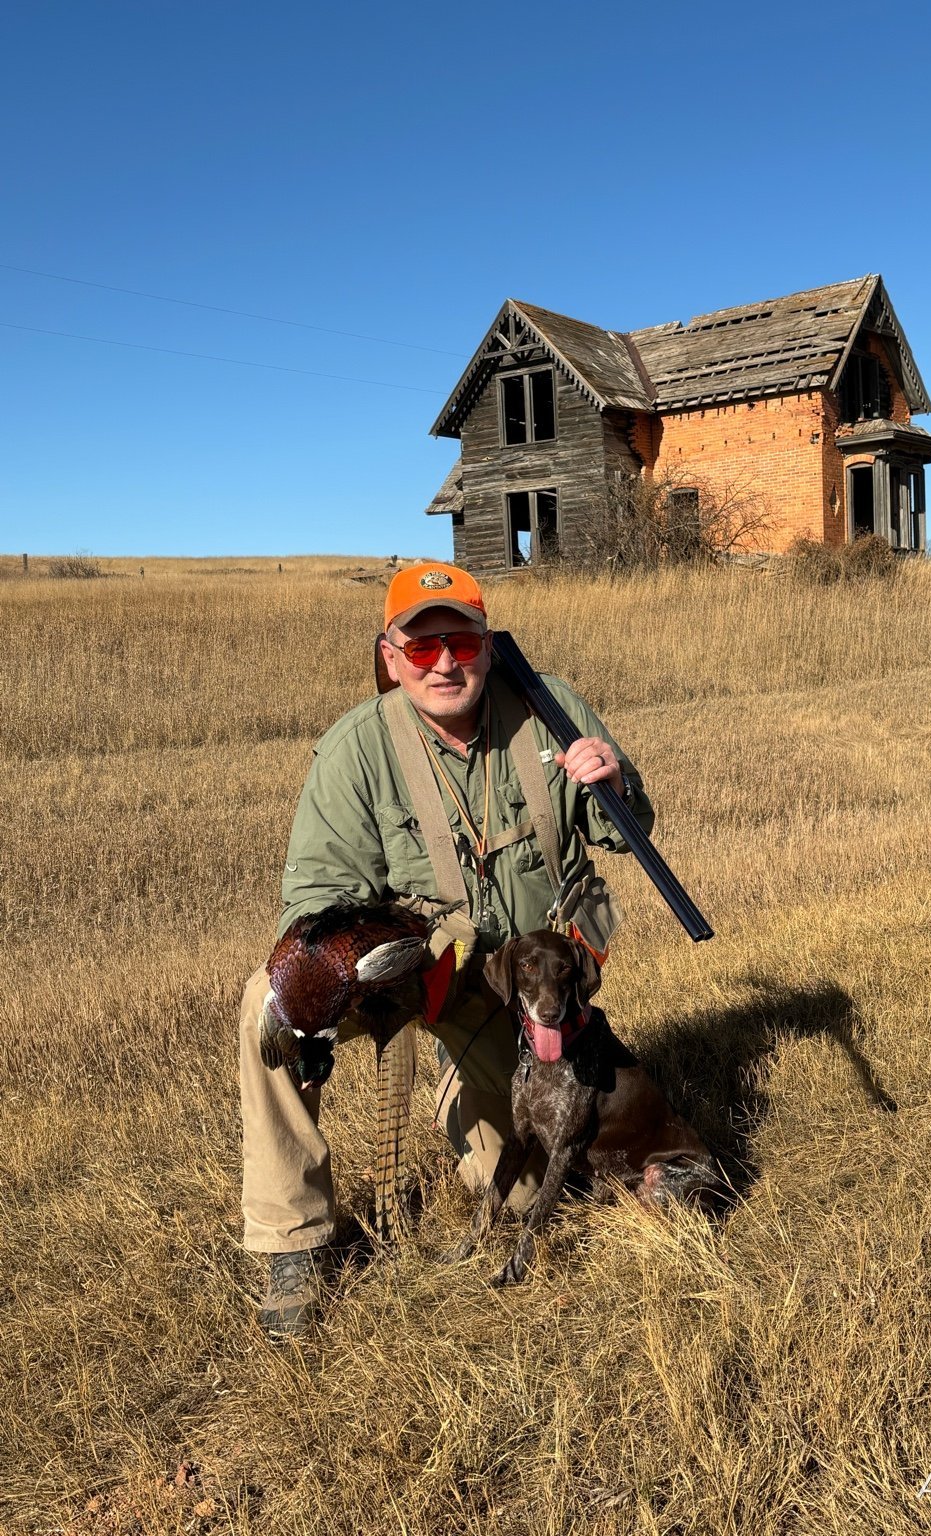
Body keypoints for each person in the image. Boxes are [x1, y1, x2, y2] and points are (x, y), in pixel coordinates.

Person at [239, 560, 654, 1335]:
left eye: (459, 642)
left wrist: (615, 785)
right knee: (273, 999)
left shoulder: (548, 706)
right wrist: (359, 959)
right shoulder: (356, 750)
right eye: (420, 647)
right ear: (390, 655)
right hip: (409, 972)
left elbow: (623, 832)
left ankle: (458, 1081)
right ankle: (292, 1239)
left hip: (522, 987)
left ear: (488, 646)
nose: (443, 663)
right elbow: (314, 902)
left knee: (534, 1193)